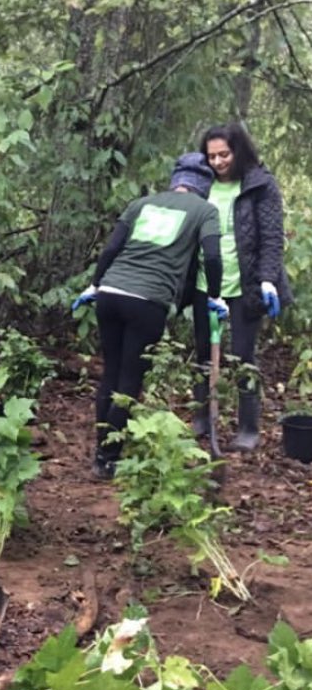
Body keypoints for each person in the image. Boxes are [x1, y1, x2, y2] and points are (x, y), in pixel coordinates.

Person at [71, 153, 225, 479]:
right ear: (205, 185)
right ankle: (109, 458)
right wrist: (214, 295)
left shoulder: (141, 203)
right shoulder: (205, 211)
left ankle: (102, 455)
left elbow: (111, 249)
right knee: (130, 378)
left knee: (110, 373)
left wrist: (94, 285)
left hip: (110, 293)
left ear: (176, 179)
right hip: (147, 301)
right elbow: (211, 256)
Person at [188, 122, 292, 452]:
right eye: (212, 156)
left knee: (243, 355)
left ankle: (249, 427)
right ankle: (203, 417)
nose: (218, 162)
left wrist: (267, 279)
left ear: (238, 151)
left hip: (244, 284)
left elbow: (272, 238)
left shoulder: (260, 185)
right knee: (202, 351)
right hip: (206, 283)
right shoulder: (200, 184)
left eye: (224, 155)